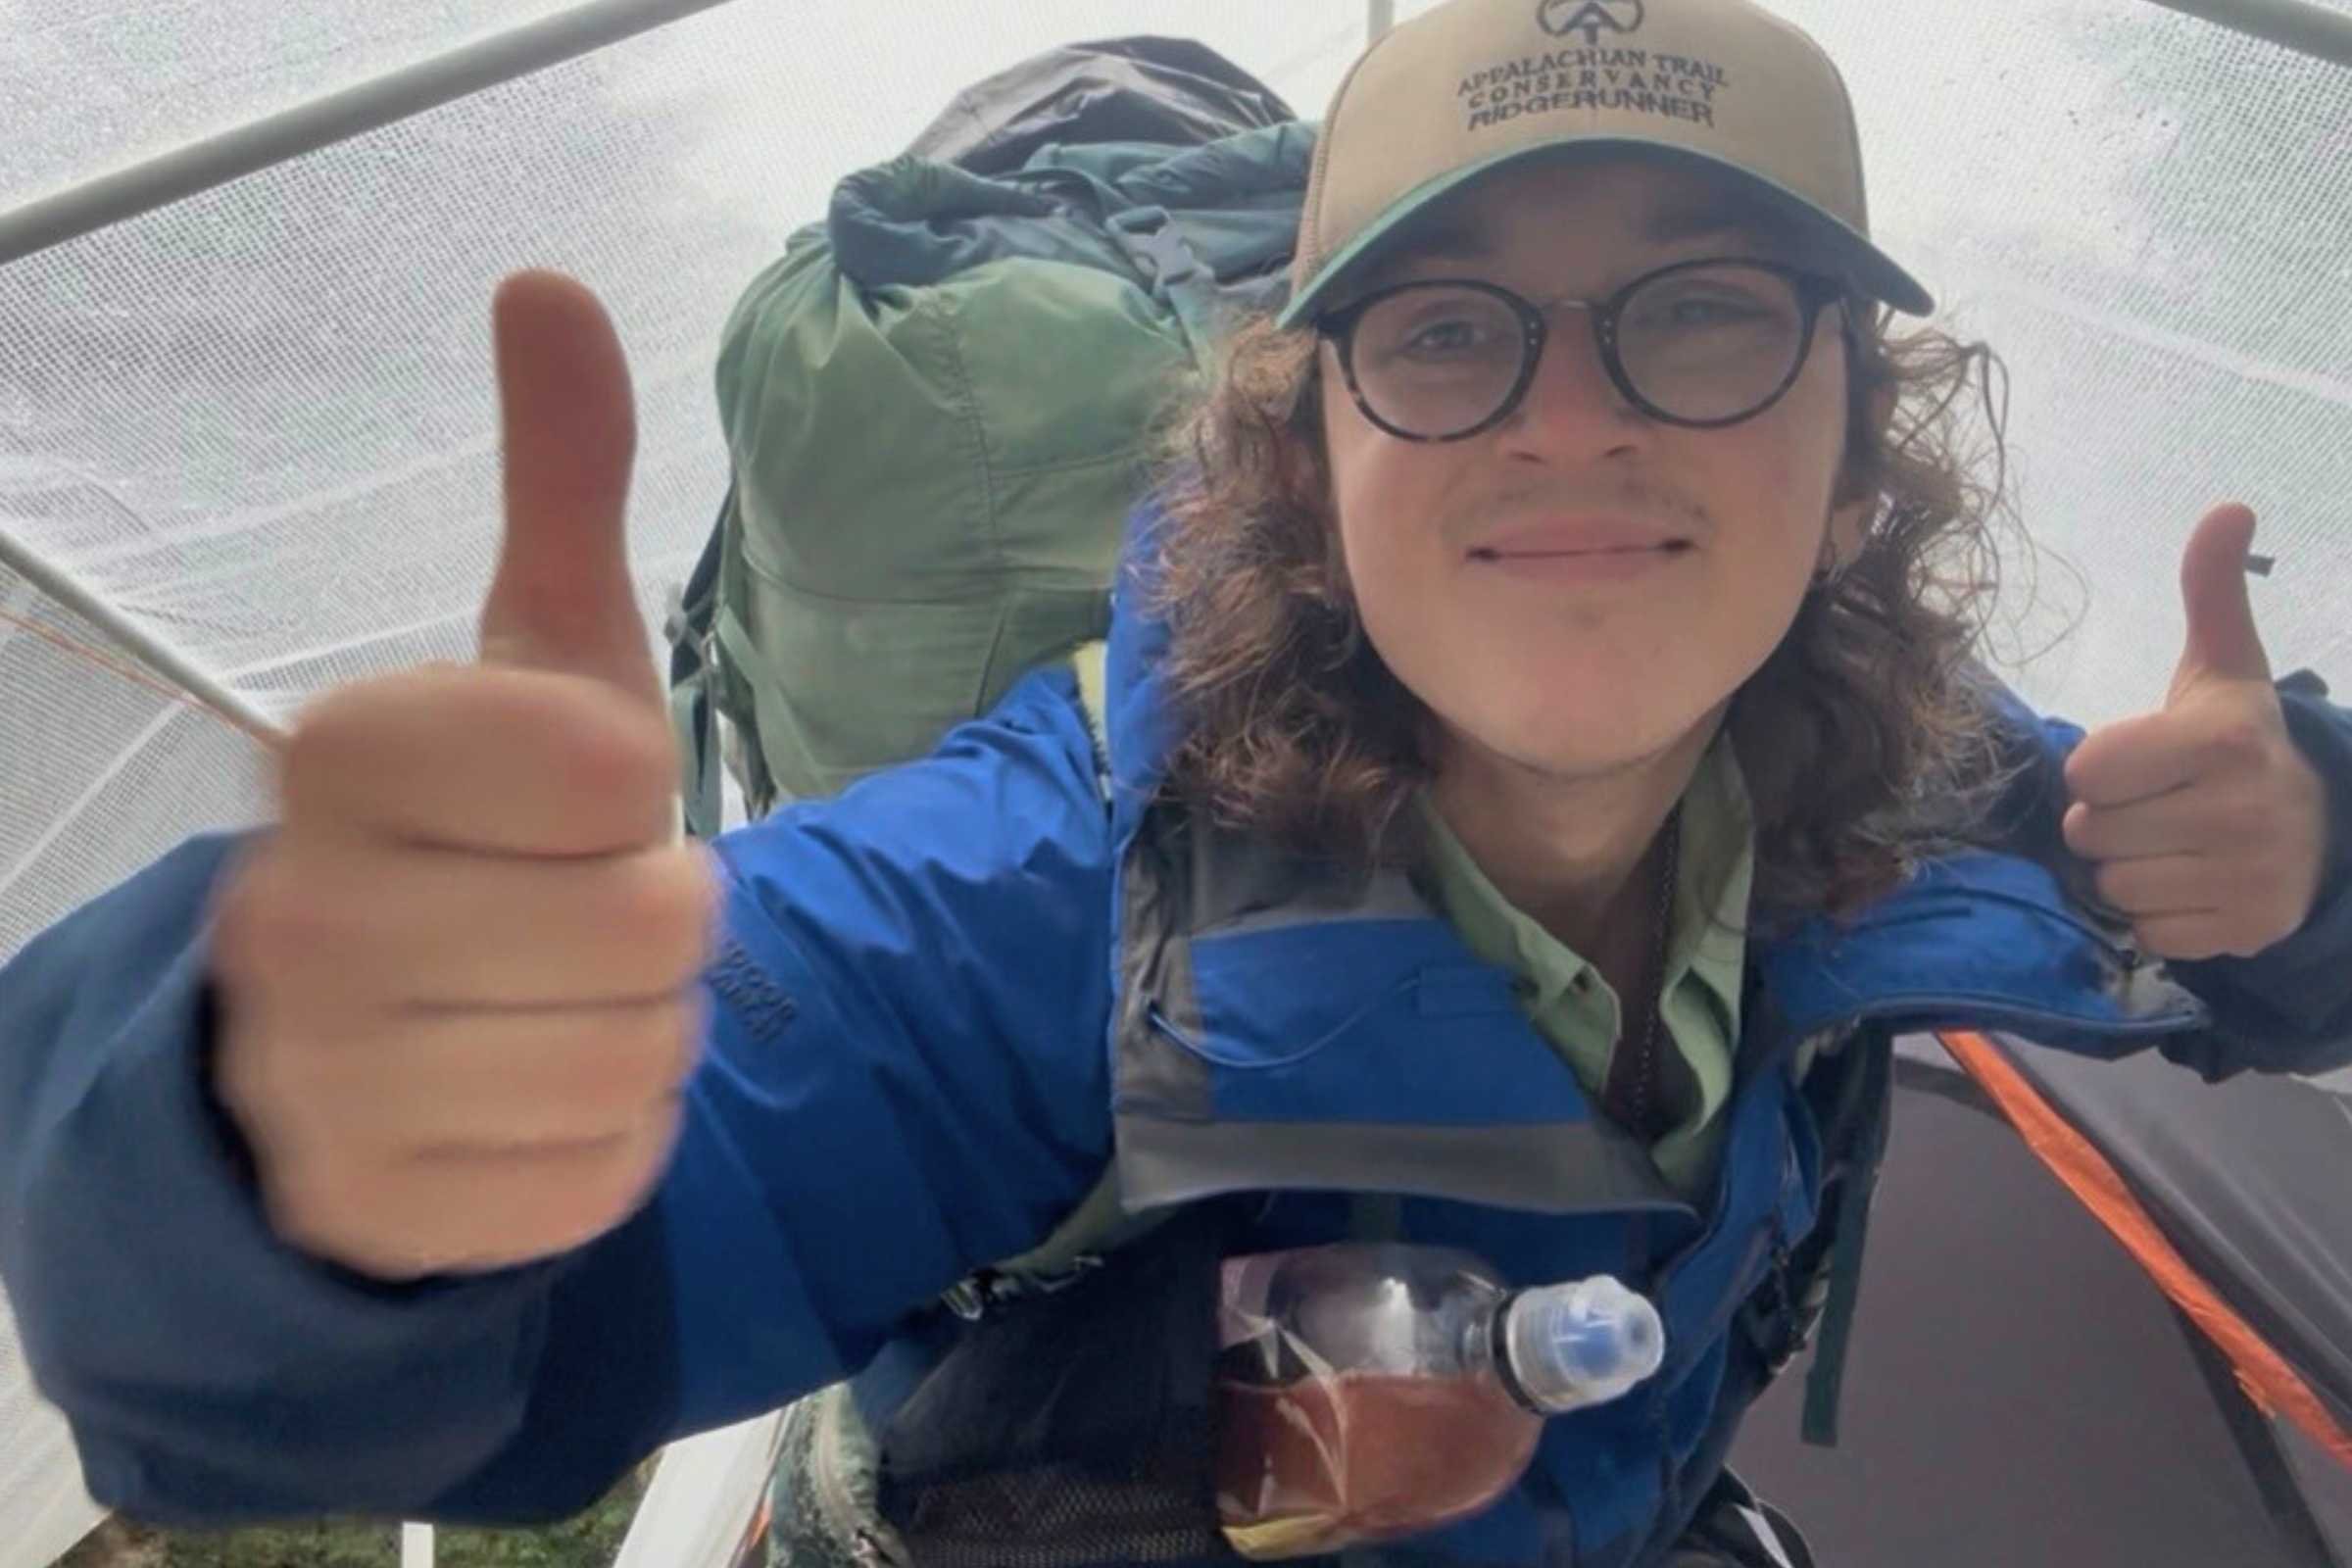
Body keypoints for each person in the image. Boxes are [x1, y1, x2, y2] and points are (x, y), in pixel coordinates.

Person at [3, 0, 2348, 1563]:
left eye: (1708, 309)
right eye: (1443, 329)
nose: (1571, 411)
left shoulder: (1912, 774)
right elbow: (392, 1362)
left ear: (1856, 452)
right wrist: (265, 1128)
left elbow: (2264, 963)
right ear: (1308, 459)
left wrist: (2309, 862)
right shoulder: (1044, 891)